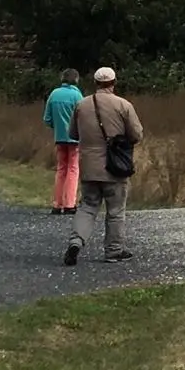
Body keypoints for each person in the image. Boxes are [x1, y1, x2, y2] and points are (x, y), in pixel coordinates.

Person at [62, 66, 143, 266]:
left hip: (89, 166)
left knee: (88, 207)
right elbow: (137, 135)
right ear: (114, 83)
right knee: (115, 210)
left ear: (96, 83)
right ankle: (113, 251)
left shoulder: (82, 105)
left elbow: (72, 134)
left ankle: (76, 242)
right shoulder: (123, 105)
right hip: (115, 166)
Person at [42, 68, 84, 215]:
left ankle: (57, 203)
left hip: (59, 137)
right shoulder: (77, 95)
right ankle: (69, 203)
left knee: (61, 169)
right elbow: (82, 116)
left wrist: (57, 127)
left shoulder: (54, 94)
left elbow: (47, 119)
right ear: (76, 79)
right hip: (74, 137)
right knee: (73, 168)